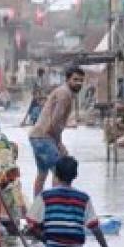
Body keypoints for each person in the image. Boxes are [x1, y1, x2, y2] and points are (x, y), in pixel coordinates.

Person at [26, 156, 116, 247]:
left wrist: (45, 239)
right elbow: (95, 228)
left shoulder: (46, 196)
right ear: (75, 175)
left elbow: (31, 225)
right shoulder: (83, 198)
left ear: (56, 173)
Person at [29, 66, 85, 197]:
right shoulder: (65, 94)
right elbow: (55, 121)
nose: (78, 83)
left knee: (42, 174)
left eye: (81, 80)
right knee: (59, 173)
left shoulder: (63, 92)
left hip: (37, 136)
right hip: (44, 137)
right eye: (75, 80)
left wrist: (59, 142)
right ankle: (56, 203)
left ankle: (37, 207)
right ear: (67, 79)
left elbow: (55, 123)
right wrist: (58, 144)